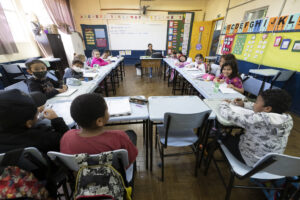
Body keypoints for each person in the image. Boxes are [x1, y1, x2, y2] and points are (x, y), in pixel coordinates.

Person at [218, 89, 293, 167]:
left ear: (267, 109)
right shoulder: (288, 119)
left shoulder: (258, 120)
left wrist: (224, 104)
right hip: (271, 162)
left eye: (256, 102)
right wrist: (244, 104)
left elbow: (229, 115)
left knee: (221, 135)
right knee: (239, 135)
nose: (254, 104)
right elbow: (260, 107)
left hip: (251, 160)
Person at [60, 93, 138, 165]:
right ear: (99, 121)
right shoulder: (119, 137)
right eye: (107, 110)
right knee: (131, 134)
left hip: (83, 176)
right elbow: (129, 160)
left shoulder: (67, 137)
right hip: (115, 175)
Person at [0, 89, 69, 154]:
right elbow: (67, 140)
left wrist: (32, 112)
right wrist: (56, 119)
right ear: (29, 123)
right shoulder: (41, 137)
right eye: (36, 115)